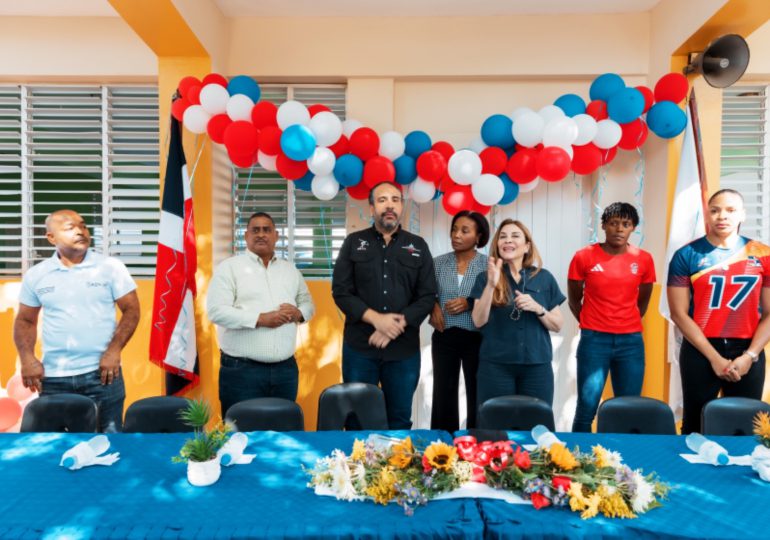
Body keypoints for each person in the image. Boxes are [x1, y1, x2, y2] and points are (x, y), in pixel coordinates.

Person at [13, 209, 140, 433]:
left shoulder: (110, 268)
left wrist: (114, 351)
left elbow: (131, 310)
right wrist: (27, 358)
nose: (81, 231)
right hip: (53, 379)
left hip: (102, 376)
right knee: (54, 447)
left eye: (83, 226)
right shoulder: (37, 274)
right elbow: (25, 320)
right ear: (51, 237)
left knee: (108, 443)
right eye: (70, 228)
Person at [332, 181, 436, 429]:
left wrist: (398, 323)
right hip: (359, 349)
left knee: (399, 420)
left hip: (403, 351)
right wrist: (376, 319)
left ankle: (394, 469)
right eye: (382, 200)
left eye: (395, 199)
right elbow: (341, 291)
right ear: (371, 208)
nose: (389, 205)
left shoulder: (418, 246)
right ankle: (357, 469)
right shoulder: (353, 243)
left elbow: (428, 294)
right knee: (356, 419)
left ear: (401, 207)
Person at [667, 189, 770, 434]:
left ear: (742, 214)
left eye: (730, 210)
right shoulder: (687, 255)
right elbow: (678, 313)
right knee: (695, 424)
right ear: (707, 215)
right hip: (700, 351)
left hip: (748, 350)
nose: (721, 216)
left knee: (748, 427)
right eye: (714, 210)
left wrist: (749, 356)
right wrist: (714, 358)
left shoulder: (763, 255)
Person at [207, 211, 315, 415]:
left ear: (276, 236)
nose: (261, 234)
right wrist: (259, 319)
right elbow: (216, 311)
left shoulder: (290, 270)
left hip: (286, 371)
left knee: (282, 434)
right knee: (240, 436)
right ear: (246, 236)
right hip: (241, 372)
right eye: (255, 230)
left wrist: (298, 313)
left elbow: (308, 303)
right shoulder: (229, 268)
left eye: (267, 230)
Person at [568, 202, 656, 432]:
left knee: (628, 407)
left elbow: (643, 300)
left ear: (633, 228)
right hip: (594, 341)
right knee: (587, 407)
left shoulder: (644, 259)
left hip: (631, 342)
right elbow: (574, 299)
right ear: (604, 225)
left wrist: (625, 320)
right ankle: (578, 460)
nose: (619, 229)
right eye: (614, 223)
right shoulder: (584, 257)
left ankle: (623, 459)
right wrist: (590, 321)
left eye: (625, 224)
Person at [471, 219, 565, 407]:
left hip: (537, 366)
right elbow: (478, 321)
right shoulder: (485, 277)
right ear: (497, 245)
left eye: (515, 236)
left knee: (537, 424)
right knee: (495, 426)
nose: (508, 240)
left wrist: (538, 309)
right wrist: (491, 285)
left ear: (526, 246)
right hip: (495, 366)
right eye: (503, 237)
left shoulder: (544, 277)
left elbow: (557, 324)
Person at [429, 210, 490, 432]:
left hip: (478, 337)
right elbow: (426, 292)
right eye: (454, 229)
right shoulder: (437, 263)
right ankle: (443, 444)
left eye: (465, 231)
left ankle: (476, 441)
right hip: (445, 336)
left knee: (478, 393)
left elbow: (498, 297)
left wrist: (469, 303)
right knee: (443, 393)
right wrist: (432, 306)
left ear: (479, 237)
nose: (456, 235)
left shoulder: (489, 265)